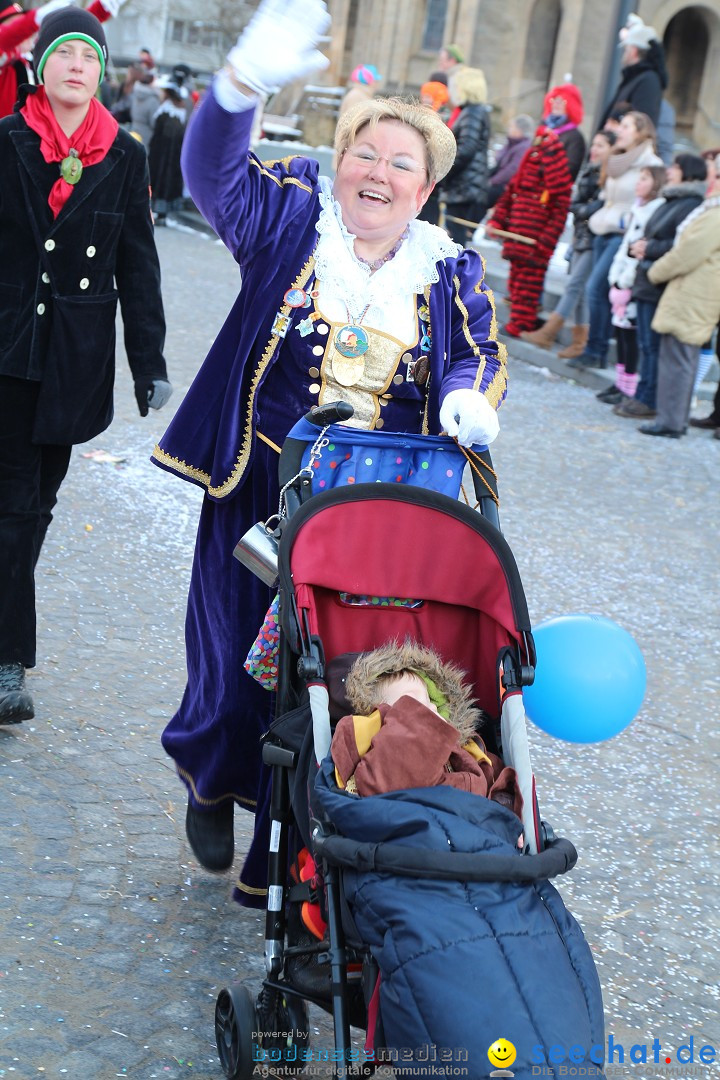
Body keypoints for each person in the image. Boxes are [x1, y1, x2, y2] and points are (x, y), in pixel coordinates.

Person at [151, 0, 507, 901]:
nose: (378, 173)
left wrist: (466, 397)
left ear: (425, 190)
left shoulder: (447, 270)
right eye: (365, 153)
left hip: (373, 513)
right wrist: (237, 89)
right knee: (236, 670)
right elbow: (212, 175)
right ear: (339, 162)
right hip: (260, 491)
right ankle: (211, 778)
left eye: (401, 164)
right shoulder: (288, 226)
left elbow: (476, 351)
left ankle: (293, 863)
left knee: (338, 684)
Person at [0, 7, 171, 725]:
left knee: (37, 506)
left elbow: (138, 263)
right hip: (7, 349)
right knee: (11, 508)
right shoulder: (7, 139)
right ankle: (9, 665)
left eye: (88, 57)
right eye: (64, 53)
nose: (76, 65)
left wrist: (148, 362)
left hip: (74, 359)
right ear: (41, 66)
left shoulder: (125, 155)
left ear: (101, 73)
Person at [331, 641, 522, 815]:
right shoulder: (371, 746)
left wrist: (503, 815)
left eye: (431, 700)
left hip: (474, 832)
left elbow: (497, 781)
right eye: (413, 701)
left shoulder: (469, 748)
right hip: (413, 833)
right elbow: (385, 784)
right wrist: (423, 731)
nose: (430, 707)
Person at [614, 152, 707, 419]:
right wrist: (639, 246)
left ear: (688, 172)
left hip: (658, 281)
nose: (669, 171)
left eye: (676, 167)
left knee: (652, 345)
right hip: (646, 277)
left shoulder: (690, 204)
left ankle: (648, 398)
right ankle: (642, 393)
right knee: (646, 344)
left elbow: (679, 245)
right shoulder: (671, 200)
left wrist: (648, 247)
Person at [568, 111, 661, 370]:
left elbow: (649, 199)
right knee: (597, 290)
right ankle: (593, 350)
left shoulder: (649, 161)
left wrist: (627, 222)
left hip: (622, 233)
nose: (620, 130)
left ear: (641, 132)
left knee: (596, 287)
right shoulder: (617, 157)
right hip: (602, 228)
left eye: (627, 126)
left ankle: (596, 350)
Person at [638, 158, 720, 438]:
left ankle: (671, 422)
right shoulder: (712, 210)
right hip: (691, 293)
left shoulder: (716, 214)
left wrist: (656, 271)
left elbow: (689, 252)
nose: (712, 182)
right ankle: (673, 418)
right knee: (677, 357)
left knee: (679, 360)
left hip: (695, 296)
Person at [520, 130, 615, 356]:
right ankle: (580, 341)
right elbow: (578, 204)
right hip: (582, 233)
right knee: (578, 290)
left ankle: (549, 332)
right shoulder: (591, 170)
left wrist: (582, 210)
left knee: (575, 285)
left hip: (596, 236)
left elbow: (595, 206)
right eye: (595, 144)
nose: (594, 149)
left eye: (601, 146)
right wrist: (582, 210)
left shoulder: (610, 174)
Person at [485, 121, 573, 337]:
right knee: (517, 282)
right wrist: (497, 221)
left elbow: (559, 214)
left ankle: (522, 322)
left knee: (528, 286)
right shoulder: (527, 167)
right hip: (518, 234)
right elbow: (509, 195)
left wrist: (546, 241)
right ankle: (519, 319)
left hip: (536, 241)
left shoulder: (557, 184)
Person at [596, 164, 666, 404]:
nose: (638, 183)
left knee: (631, 336)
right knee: (622, 334)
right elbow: (626, 248)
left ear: (656, 183)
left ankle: (628, 387)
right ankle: (620, 383)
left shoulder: (654, 212)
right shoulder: (638, 208)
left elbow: (638, 251)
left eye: (644, 179)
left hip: (633, 285)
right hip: (622, 282)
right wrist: (615, 279)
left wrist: (624, 282)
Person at [0, 0, 123, 120]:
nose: (25, 33)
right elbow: (5, 40)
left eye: (21, 22)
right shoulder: (6, 58)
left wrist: (102, 8)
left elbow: (73, 31)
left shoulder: (34, 54)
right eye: (15, 25)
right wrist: (32, 20)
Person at [437, 65, 490, 246]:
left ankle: (456, 274)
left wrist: (444, 169)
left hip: (465, 185)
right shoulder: (472, 111)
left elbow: (467, 148)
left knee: (455, 237)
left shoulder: (473, 112)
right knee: (454, 233)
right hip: (465, 184)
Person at [599, 15, 668, 129]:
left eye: (626, 49)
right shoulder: (637, 78)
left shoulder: (648, 81)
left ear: (633, 51)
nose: (624, 54)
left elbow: (640, 127)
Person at [148, 74, 187, 224]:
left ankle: (159, 213)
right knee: (166, 180)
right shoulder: (178, 110)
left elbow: (163, 136)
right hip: (172, 155)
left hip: (162, 155)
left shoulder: (168, 112)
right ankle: (161, 214)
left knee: (160, 180)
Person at [485, 114, 533, 209]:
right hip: (497, 183)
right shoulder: (512, 143)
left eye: (512, 127)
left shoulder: (523, 147)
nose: (509, 129)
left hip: (503, 187)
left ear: (519, 130)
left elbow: (511, 170)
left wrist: (493, 181)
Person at [542, 81, 586, 181]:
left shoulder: (575, 137)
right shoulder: (544, 129)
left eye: (563, 101)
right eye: (554, 100)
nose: (556, 104)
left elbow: (571, 170)